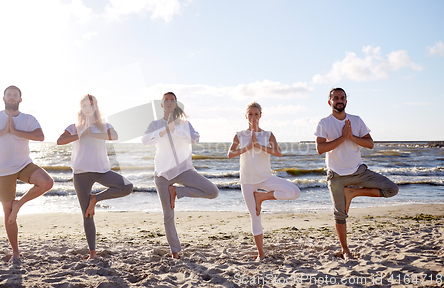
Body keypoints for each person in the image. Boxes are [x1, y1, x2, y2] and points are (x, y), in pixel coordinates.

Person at [314, 88, 399, 260]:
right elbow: (320, 149)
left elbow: (370, 144)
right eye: (335, 98)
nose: (339, 100)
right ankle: (345, 250)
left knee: (392, 189)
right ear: (329, 102)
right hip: (336, 176)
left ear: (346, 101)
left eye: (342, 98)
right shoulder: (324, 122)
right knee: (340, 215)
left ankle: (353, 192)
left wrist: (351, 136)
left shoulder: (356, 120)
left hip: (359, 172)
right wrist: (343, 138)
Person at [0, 85, 54, 262]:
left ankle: (19, 204)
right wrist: (2, 131)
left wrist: (15, 131)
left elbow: (40, 136)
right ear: (3, 98)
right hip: (2, 170)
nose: (11, 97)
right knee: (8, 214)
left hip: (23, 164)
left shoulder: (28, 119)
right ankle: (16, 252)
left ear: (20, 99)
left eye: (15, 95)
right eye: (8, 95)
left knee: (47, 182)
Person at [141, 92, 219, 259]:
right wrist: (163, 131)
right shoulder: (155, 124)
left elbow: (195, 138)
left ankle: (177, 192)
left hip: (184, 170)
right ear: (161, 104)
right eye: (166, 100)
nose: (169, 102)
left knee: (212, 191)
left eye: (172, 100)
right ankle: (175, 252)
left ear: (176, 104)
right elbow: (145, 140)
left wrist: (175, 130)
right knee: (168, 215)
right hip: (162, 174)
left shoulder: (184, 124)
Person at [57, 94, 133, 260]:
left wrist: (93, 133)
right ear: (81, 109)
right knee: (87, 214)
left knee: (127, 187)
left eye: (90, 105)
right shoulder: (74, 127)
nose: (87, 108)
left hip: (102, 170)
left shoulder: (105, 125)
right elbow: (60, 141)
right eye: (84, 106)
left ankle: (95, 199)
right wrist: (81, 135)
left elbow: (115, 136)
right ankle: (93, 253)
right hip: (81, 174)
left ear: (95, 108)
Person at [228, 102, 300, 261]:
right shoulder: (239, 135)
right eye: (250, 114)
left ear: (260, 115)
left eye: (256, 114)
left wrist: (259, 145)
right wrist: (248, 147)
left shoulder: (268, 135)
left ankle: (261, 197)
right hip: (247, 180)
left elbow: (278, 153)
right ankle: (261, 253)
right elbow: (230, 154)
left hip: (266, 177)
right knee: (255, 217)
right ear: (246, 116)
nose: (253, 117)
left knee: (294, 192)